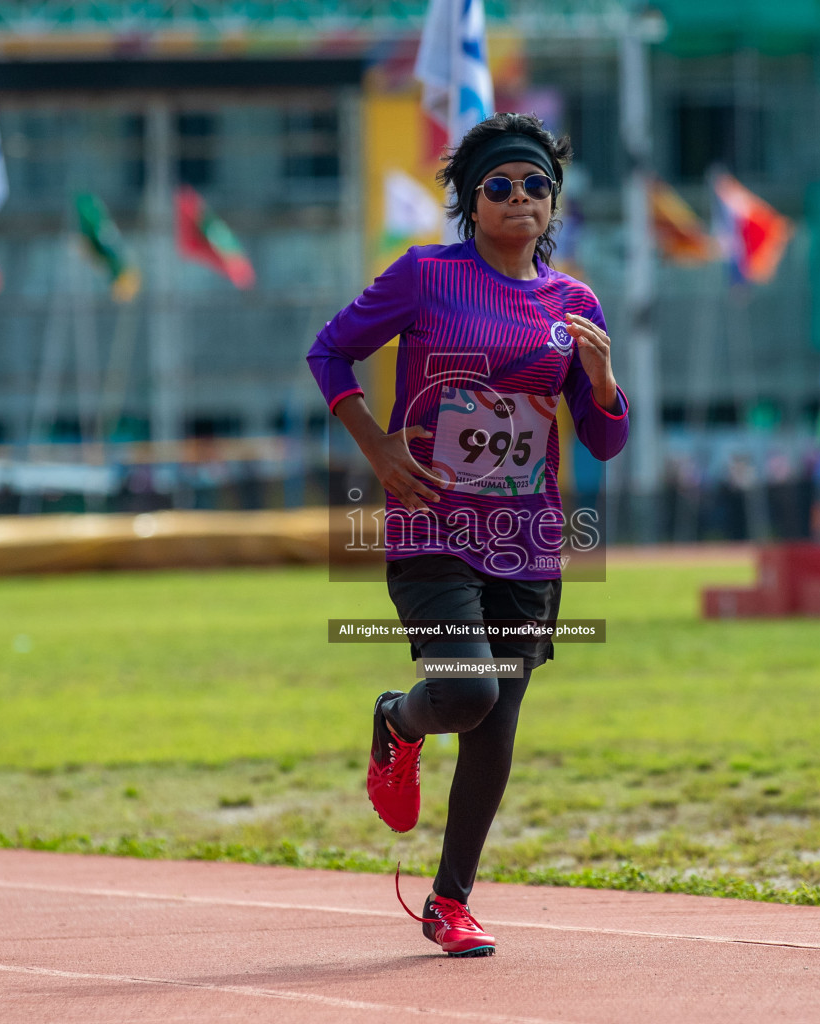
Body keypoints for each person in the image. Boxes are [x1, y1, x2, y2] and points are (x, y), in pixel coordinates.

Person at [306, 112, 629, 957]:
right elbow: (330, 353)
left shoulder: (575, 304)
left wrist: (600, 380)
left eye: (536, 186)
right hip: (433, 529)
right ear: (471, 203)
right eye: (500, 186)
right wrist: (376, 448)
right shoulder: (426, 277)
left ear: (554, 206)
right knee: (466, 691)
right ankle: (400, 721)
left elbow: (604, 440)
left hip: (528, 542)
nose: (520, 199)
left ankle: (450, 902)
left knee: (498, 723)